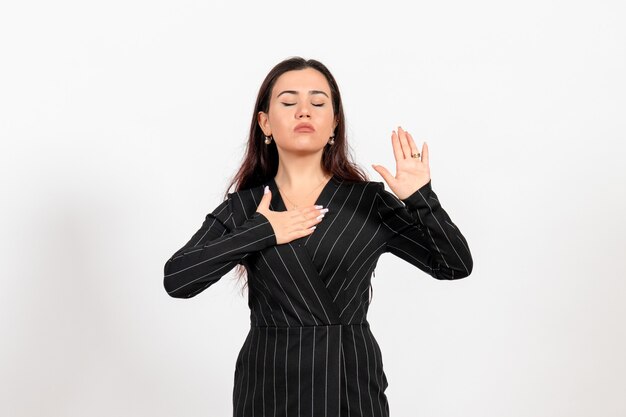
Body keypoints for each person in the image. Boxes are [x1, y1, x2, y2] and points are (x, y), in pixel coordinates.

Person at [163, 56, 473, 417]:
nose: (304, 112)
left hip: (350, 386)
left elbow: (454, 265)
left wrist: (421, 198)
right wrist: (262, 231)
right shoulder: (244, 208)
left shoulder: (369, 202)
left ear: (334, 124)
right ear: (265, 122)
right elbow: (178, 279)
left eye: (318, 102)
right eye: (289, 102)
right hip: (268, 390)